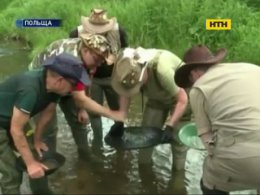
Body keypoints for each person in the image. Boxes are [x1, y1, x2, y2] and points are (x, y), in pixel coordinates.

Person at [174, 44, 260, 194]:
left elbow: (208, 141)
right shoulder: (252, 68)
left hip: (243, 158)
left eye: (189, 81)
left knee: (209, 181)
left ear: (194, 74)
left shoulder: (199, 88)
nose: (191, 85)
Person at [0, 53, 91, 194]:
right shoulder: (30, 89)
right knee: (11, 172)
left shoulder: (54, 89)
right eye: (73, 85)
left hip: (14, 119)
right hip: (5, 123)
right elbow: (16, 131)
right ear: (60, 80)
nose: (74, 89)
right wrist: (30, 164)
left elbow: (47, 112)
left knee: (37, 154)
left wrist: (36, 140)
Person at [28, 33, 123, 162]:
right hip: (44, 84)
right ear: (85, 50)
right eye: (97, 59)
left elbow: (87, 80)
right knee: (48, 127)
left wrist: (82, 110)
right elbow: (80, 99)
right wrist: (111, 114)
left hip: (66, 80)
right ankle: (47, 160)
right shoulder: (72, 60)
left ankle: (85, 155)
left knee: (79, 121)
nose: (99, 64)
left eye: (102, 60)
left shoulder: (90, 59)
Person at [110, 47, 191, 193]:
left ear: (143, 74)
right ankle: (145, 176)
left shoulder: (162, 70)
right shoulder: (125, 66)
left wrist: (170, 126)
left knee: (178, 144)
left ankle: (178, 181)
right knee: (145, 138)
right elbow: (124, 92)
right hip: (156, 99)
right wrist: (120, 119)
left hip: (181, 97)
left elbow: (183, 100)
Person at [69, 8, 128, 158]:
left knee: (118, 109)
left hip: (113, 76)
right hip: (89, 78)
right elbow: (74, 59)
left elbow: (125, 52)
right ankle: (98, 146)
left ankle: (118, 138)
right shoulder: (76, 33)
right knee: (94, 113)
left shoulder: (118, 30)